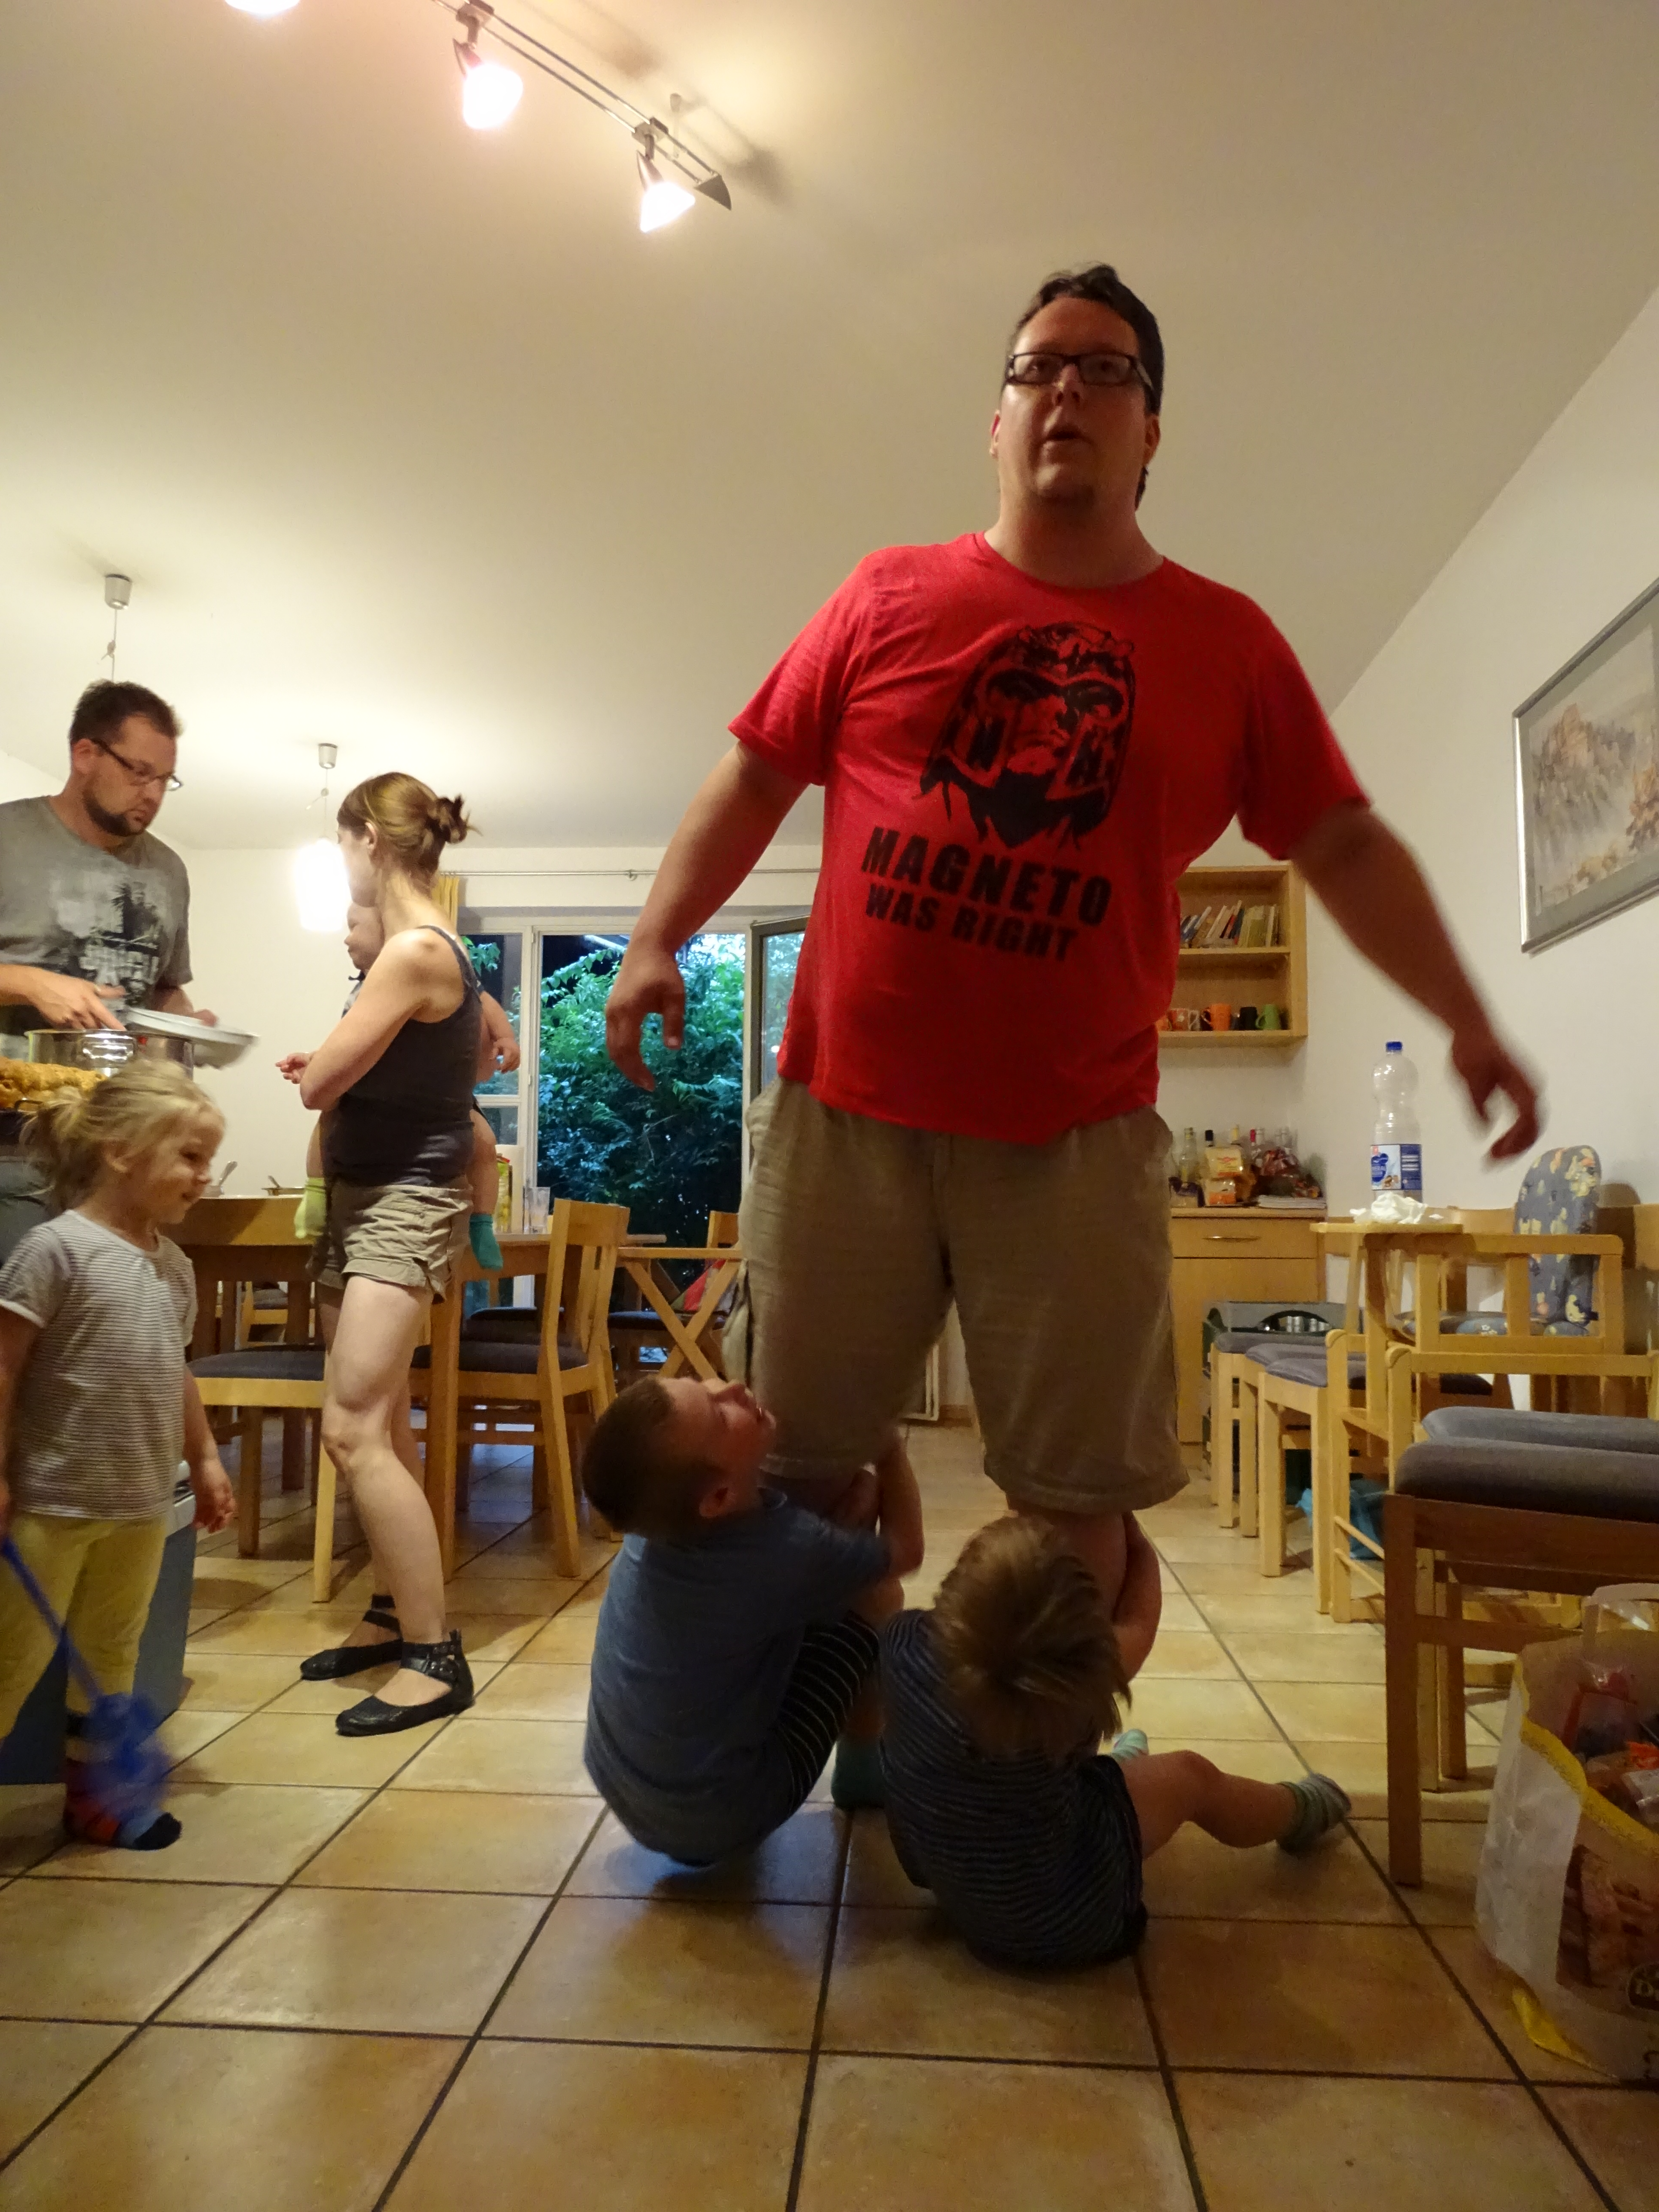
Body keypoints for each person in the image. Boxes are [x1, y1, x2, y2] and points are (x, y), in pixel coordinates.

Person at [605, 261, 1541, 1613]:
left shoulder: (1230, 644)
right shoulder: (884, 593)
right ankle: (857, 1722)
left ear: (1150, 430)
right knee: (800, 1482)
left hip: (1077, 1143)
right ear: (995, 421)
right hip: (845, 1118)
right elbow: (757, 770)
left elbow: (1341, 841)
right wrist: (655, 939)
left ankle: (1023, 1747)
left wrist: (1467, 1018)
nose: (1066, 391)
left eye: (1106, 370)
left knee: (1076, 1515)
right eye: (1037, 367)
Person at [879, 1515, 1349, 1968]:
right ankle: (1301, 1808)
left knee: (1028, 1785)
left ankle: (1120, 1770)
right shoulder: (1068, 1695)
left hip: (949, 1886)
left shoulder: (900, 1645)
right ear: (1083, 1647)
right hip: (1070, 1924)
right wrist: (1138, 1546)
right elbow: (1139, 1623)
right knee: (1191, 1777)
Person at [0, 1061, 235, 1849]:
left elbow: (176, 1371)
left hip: (139, 1502)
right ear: (121, 1151)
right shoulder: (55, 1250)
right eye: (190, 1156)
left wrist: (205, 1458)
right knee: (11, 1659)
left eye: (208, 1159)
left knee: (110, 1660)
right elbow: (5, 1367)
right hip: (51, 1502)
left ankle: (94, 1801)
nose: (203, 1175)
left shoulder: (174, 1266)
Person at [295, 774, 482, 1736]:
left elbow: (321, 1083)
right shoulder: (422, 953)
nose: (344, 869)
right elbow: (366, 1073)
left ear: (368, 838)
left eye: (343, 847)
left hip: (402, 1204)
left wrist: (327, 1065)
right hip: (365, 1196)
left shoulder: (414, 950)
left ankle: (435, 1657)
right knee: (386, 1424)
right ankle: (391, 1612)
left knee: (353, 1428)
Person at [580, 1374, 924, 1863]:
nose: (734, 1387)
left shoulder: (655, 1523)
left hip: (626, 1790)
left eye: (704, 1385)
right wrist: (888, 1446)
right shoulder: (782, 1549)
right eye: (720, 1416)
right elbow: (907, 1550)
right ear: (719, 1499)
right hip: (722, 1818)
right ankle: (863, 1770)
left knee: (848, 1528)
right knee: (879, 1593)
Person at [0, 681, 215, 1264]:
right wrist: (29, 983)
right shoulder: (9, 838)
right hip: (16, 1149)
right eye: (139, 773)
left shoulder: (169, 870)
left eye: (165, 780)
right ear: (86, 755)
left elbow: (162, 988)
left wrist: (188, 1025)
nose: (153, 795)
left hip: (127, 1157)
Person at [278, 901, 520, 1268]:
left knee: (485, 1142)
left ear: (388, 931)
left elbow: (485, 1001)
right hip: (366, 1097)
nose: (347, 939)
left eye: (354, 927)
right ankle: (315, 1194)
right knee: (327, 1118)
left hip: (435, 1094)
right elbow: (348, 1048)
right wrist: (315, 1060)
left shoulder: (429, 969)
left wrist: (505, 1037)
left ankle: (482, 1223)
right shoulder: (364, 992)